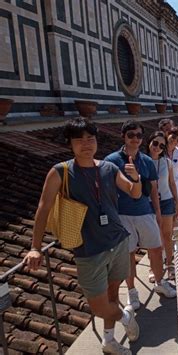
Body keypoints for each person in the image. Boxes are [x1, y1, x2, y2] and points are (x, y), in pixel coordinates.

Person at [24, 117, 140, 354]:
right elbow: (43, 208)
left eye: (90, 139)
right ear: (70, 144)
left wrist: (136, 178)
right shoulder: (60, 172)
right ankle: (125, 317)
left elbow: (134, 193)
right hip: (88, 249)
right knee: (99, 306)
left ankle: (109, 341)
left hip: (117, 240)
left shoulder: (109, 168)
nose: (86, 144)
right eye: (79, 140)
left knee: (112, 293)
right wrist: (35, 247)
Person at [105, 120, 176, 312]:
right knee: (128, 254)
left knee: (155, 248)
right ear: (123, 136)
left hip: (145, 211)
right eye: (131, 135)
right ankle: (132, 291)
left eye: (138, 135)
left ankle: (160, 282)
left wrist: (158, 213)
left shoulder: (145, 161)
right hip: (122, 214)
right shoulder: (111, 161)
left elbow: (153, 190)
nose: (135, 139)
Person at [147, 131, 178, 280]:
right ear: (149, 142)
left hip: (166, 201)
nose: (157, 147)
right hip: (148, 203)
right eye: (155, 143)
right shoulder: (142, 161)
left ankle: (169, 264)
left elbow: (172, 183)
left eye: (161, 145)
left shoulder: (167, 162)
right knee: (153, 238)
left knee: (166, 235)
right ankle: (153, 267)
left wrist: (177, 203)